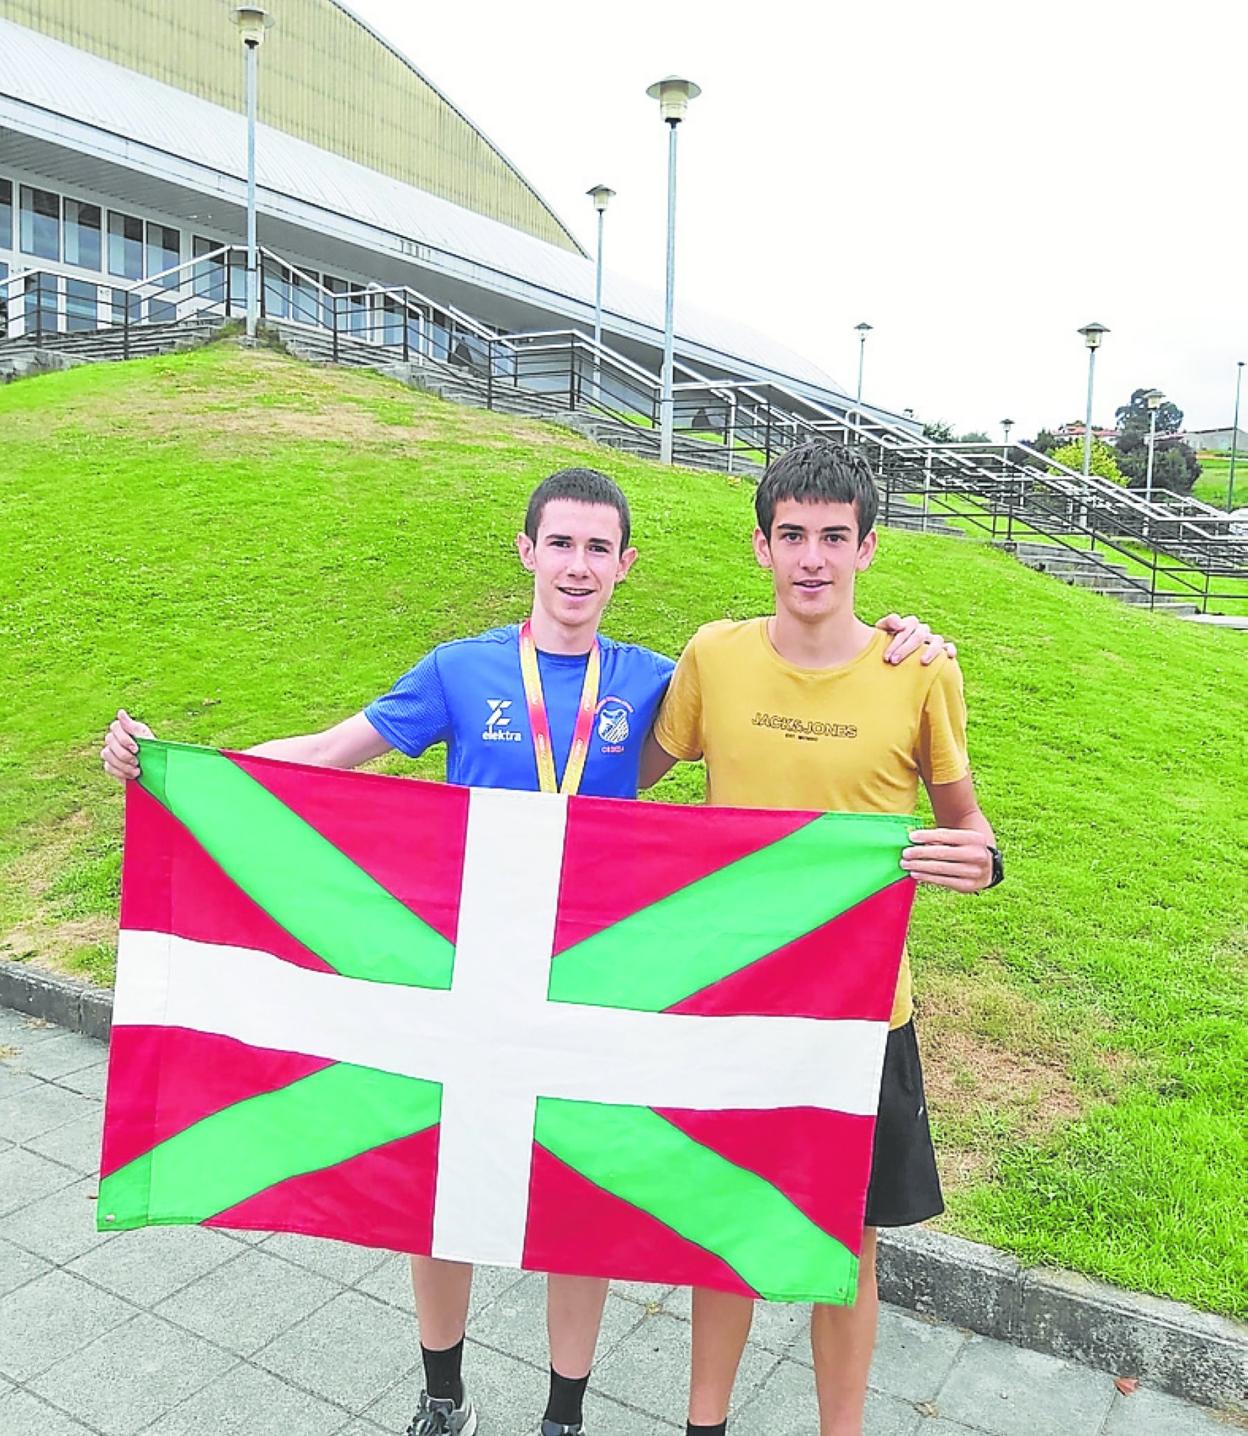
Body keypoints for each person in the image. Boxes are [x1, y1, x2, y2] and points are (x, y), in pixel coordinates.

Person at [101, 465, 952, 1436]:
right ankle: (442, 1389)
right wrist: (179, 770)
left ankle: (564, 1411)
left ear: (626, 564)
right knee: (438, 1185)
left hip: (590, 979)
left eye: (599, 548)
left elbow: (780, 693)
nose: (578, 566)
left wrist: (908, 637)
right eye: (561, 543)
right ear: (527, 550)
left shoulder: (651, 680)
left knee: (576, 1191)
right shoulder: (460, 669)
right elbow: (336, 752)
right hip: (463, 971)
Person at [640, 440, 1001, 1436]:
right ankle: (703, 1423)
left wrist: (983, 859)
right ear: (761, 545)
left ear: (868, 547)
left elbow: (969, 826)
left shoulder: (919, 670)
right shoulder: (713, 656)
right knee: (725, 1226)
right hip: (736, 999)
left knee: (847, 1243)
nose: (812, 557)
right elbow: (614, 792)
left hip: (864, 1010)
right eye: (791, 534)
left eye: (833, 537)